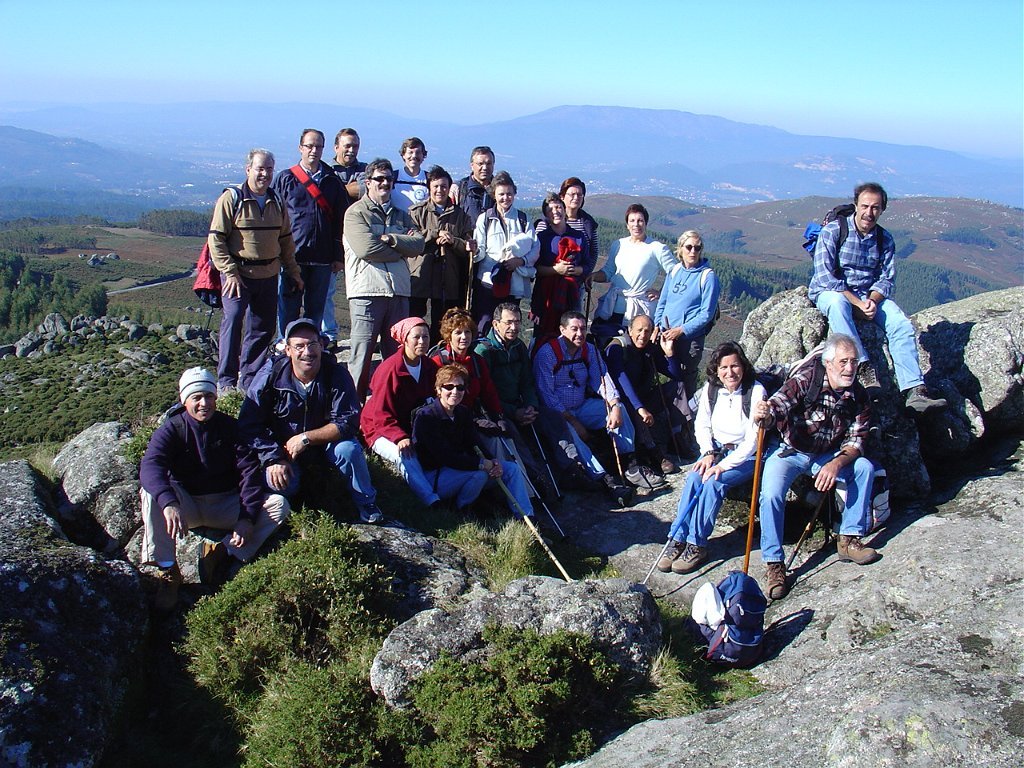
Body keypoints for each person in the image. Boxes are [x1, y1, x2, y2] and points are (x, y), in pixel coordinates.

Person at [139, 367, 290, 609]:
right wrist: (169, 502)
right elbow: (151, 466)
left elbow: (248, 473)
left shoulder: (230, 427)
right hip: (187, 505)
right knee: (150, 493)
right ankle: (168, 570)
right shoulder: (172, 429)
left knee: (278, 505)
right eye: (196, 398)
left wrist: (247, 518)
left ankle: (224, 552)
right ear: (184, 400)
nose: (204, 403)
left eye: (209, 396)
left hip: (224, 503)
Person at [752, 333, 881, 601]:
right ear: (829, 363)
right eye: (843, 362)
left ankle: (849, 538)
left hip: (826, 455)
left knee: (864, 468)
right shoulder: (807, 380)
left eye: (854, 362)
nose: (850, 368)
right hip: (790, 451)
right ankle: (774, 564)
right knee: (771, 495)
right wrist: (765, 414)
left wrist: (836, 464)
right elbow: (779, 404)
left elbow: (857, 442)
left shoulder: (858, 396)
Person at [808, 182, 945, 414]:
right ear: (856, 206)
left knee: (900, 324)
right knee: (837, 305)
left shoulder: (884, 239)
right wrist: (857, 303)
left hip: (867, 296)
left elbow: (886, 279)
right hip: (831, 293)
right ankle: (862, 366)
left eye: (875, 208)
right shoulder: (833, 231)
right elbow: (826, 277)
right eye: (865, 206)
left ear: (882, 210)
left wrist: (872, 300)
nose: (869, 213)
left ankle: (914, 389)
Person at [239, 319, 383, 524]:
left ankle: (366, 502)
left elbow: (348, 421)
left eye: (312, 344)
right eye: (299, 346)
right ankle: (288, 516)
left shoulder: (336, 374)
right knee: (282, 485)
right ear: (288, 350)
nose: (307, 352)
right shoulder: (271, 375)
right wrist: (273, 458)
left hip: (325, 445)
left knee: (348, 450)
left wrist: (306, 438)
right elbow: (249, 424)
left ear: (321, 345)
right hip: (284, 450)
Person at [657, 342, 765, 574]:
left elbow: (752, 442)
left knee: (714, 482)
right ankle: (677, 537)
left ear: (743, 366)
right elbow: (702, 424)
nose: (730, 372)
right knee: (694, 477)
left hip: (747, 457)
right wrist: (707, 453)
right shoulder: (711, 389)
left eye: (734, 366)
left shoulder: (755, 391)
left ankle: (697, 543)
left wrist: (722, 466)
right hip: (716, 450)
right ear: (716, 369)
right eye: (723, 367)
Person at [208, 148, 303, 393]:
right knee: (233, 321)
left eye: (269, 169)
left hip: (269, 275)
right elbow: (216, 239)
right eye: (260, 169)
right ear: (248, 169)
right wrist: (229, 272)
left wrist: (293, 271)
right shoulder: (232, 199)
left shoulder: (276, 200)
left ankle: (250, 381)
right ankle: (226, 382)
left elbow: (285, 240)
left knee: (262, 328)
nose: (265, 174)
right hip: (237, 275)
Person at [532, 310, 636, 504]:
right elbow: (546, 394)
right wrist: (572, 420)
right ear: (562, 330)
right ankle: (604, 478)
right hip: (558, 413)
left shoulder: (589, 350)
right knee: (571, 433)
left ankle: (628, 462)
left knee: (620, 411)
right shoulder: (548, 353)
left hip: (581, 406)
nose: (579, 334)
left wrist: (614, 404)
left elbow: (601, 378)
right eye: (574, 329)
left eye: (582, 329)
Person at [343, 157, 425, 400]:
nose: (385, 183)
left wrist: (391, 239)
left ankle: (393, 405)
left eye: (389, 179)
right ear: (368, 182)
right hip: (366, 292)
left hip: (398, 292)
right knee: (361, 356)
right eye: (379, 178)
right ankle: (353, 410)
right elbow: (366, 248)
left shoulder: (402, 215)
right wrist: (401, 249)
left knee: (398, 356)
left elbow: (419, 244)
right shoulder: (355, 213)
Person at [412, 363, 534, 519]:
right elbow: (445, 457)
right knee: (479, 475)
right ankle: (461, 510)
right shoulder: (426, 417)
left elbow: (475, 443)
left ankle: (526, 516)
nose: (455, 392)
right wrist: (481, 464)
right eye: (449, 387)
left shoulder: (462, 412)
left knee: (512, 469)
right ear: (438, 389)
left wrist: (493, 461)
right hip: (436, 477)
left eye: (460, 388)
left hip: (464, 469)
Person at [359, 317, 442, 507]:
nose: (422, 341)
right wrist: (399, 437)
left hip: (410, 426)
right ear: (404, 339)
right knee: (405, 455)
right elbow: (380, 414)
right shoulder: (390, 370)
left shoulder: (429, 367)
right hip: (379, 429)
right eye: (416, 337)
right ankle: (431, 499)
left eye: (426, 337)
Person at [273, 129, 348, 335]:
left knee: (316, 311)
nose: (314, 150)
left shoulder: (332, 181)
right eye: (309, 146)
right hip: (293, 257)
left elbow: (341, 221)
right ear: (301, 148)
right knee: (288, 308)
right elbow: (275, 217)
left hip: (323, 258)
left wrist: (338, 256)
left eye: (318, 146)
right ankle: (285, 346)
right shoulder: (285, 179)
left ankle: (313, 348)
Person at [604, 313, 684, 477]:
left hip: (643, 397)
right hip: (622, 402)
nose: (643, 335)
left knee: (677, 387)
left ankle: (678, 435)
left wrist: (669, 353)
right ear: (630, 330)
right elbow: (622, 381)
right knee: (633, 408)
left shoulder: (649, 349)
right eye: (639, 330)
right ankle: (653, 452)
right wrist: (640, 407)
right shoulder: (617, 348)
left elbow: (676, 375)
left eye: (647, 331)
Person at [408, 165, 477, 338]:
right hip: (420, 277)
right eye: (436, 186)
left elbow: (468, 248)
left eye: (444, 186)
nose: (440, 190)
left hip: (448, 280)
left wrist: (453, 241)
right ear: (429, 188)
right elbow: (410, 238)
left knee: (443, 325)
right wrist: (434, 234)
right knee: (415, 320)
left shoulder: (461, 216)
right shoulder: (416, 212)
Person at [654, 229, 721, 399]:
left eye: (697, 248)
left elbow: (706, 314)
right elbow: (663, 301)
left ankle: (687, 413)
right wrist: (656, 325)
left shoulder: (708, 277)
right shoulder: (675, 271)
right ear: (680, 249)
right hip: (665, 334)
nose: (693, 251)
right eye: (689, 247)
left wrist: (681, 330)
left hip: (689, 341)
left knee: (685, 379)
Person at [590, 203, 675, 335]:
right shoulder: (618, 244)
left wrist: (661, 293)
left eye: (640, 220)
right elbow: (609, 271)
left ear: (646, 223)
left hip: (639, 312)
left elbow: (675, 273)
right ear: (627, 224)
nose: (636, 224)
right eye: (632, 221)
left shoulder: (657, 248)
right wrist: (592, 277)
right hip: (612, 307)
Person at [471, 171, 539, 333]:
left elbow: (535, 247)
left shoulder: (523, 219)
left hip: (514, 283)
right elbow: (480, 252)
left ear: (514, 193)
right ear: (494, 194)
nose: (505, 198)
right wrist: (474, 251)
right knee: (484, 325)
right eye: (501, 194)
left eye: (509, 194)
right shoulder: (485, 218)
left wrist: (520, 261)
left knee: (510, 327)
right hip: (488, 282)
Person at [324, 127, 368, 346]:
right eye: (347, 145)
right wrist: (348, 189)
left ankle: (364, 336)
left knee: (361, 289)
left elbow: (365, 190)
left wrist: (337, 189)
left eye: (355, 146)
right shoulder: (326, 170)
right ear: (336, 147)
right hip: (331, 236)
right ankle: (328, 335)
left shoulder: (366, 170)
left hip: (360, 237)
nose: (351, 150)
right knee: (327, 289)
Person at [532, 192, 587, 339]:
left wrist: (577, 270)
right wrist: (556, 270)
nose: (555, 212)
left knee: (572, 334)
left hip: (571, 295)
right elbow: (535, 268)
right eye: (550, 209)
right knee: (543, 335)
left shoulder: (578, 236)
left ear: (564, 209)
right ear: (546, 215)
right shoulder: (541, 238)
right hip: (545, 296)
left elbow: (587, 264)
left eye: (558, 207)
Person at [533, 177, 599, 278]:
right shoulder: (544, 225)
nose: (576, 198)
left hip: (577, 281)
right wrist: (556, 270)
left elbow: (593, 253)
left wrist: (583, 272)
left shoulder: (588, 224)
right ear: (562, 196)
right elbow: (536, 258)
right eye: (572, 194)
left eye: (579, 195)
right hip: (548, 281)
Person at [451, 145, 495, 223]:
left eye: (488, 163)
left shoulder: (500, 189)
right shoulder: (460, 189)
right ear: (472, 166)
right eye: (480, 164)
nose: (485, 168)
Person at [391, 137, 429, 214]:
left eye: (418, 152)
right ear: (403, 155)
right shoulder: (393, 177)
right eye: (410, 152)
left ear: (423, 156)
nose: (414, 156)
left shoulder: (429, 179)